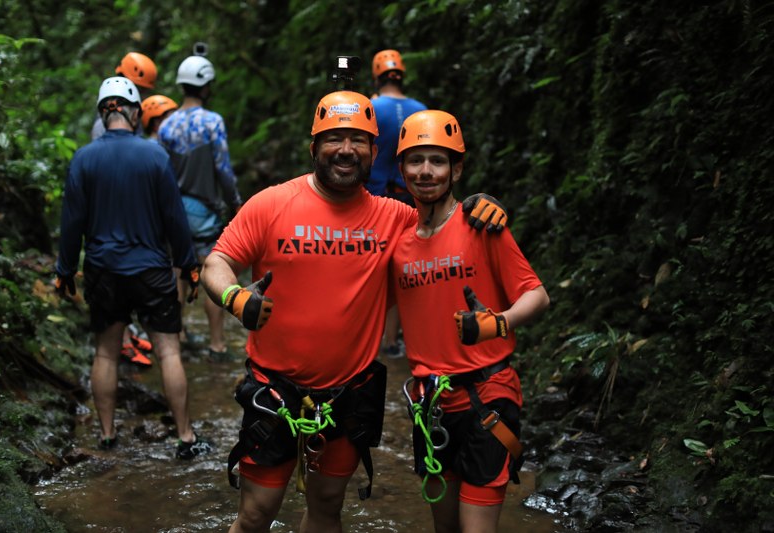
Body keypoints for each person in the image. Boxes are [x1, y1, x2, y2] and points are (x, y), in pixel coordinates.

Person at [199, 89, 509, 533]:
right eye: (334, 138)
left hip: (349, 395)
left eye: (358, 140)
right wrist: (235, 298)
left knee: (327, 506)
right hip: (275, 390)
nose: (346, 149)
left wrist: (483, 203)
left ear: (374, 153)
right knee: (255, 513)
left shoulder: (396, 217)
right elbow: (217, 262)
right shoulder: (270, 204)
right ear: (313, 148)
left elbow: (448, 223)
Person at [391, 110, 550, 532]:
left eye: (438, 161)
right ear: (401, 170)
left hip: (487, 396)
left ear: (457, 169)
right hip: (431, 406)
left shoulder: (483, 226)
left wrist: (497, 323)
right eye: (415, 161)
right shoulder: (399, 245)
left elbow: (536, 295)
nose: (426, 172)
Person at [55, 76, 211, 459]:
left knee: (106, 353)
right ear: (134, 113)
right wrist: (190, 266)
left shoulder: (84, 158)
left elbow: (72, 222)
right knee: (169, 352)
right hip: (152, 269)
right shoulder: (154, 156)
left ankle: (108, 437)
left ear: (104, 113)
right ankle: (186, 438)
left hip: (104, 270)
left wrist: (63, 270)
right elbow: (174, 219)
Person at [158, 55, 243, 361]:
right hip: (205, 210)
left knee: (179, 271)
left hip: (175, 211)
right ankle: (217, 344)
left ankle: (177, 338)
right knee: (212, 271)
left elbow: (162, 173)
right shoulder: (212, 122)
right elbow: (223, 169)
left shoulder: (167, 125)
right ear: (206, 85)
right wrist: (235, 202)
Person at [90, 51, 161, 366]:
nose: (140, 100)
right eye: (138, 90)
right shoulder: (102, 126)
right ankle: (120, 338)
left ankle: (127, 332)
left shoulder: (127, 119)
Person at [369, 49, 428, 359]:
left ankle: (380, 339)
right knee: (407, 266)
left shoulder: (371, 107)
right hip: (414, 197)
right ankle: (399, 339)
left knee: (378, 268)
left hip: (378, 198)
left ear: (377, 76)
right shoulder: (420, 110)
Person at [91, 52, 158, 140]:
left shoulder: (134, 112)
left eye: (144, 90)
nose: (141, 94)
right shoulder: (106, 120)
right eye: (139, 88)